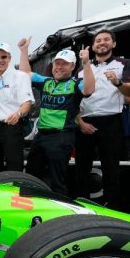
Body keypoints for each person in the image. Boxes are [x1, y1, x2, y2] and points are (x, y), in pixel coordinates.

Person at [19, 40, 95, 196]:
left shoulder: (76, 84)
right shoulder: (47, 82)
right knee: (31, 177)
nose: (59, 67)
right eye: (57, 63)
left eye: (64, 64)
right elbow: (24, 75)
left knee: (57, 181)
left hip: (61, 136)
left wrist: (86, 64)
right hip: (40, 136)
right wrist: (24, 50)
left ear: (73, 66)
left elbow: (89, 89)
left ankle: (60, 216)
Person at [74, 29, 130, 208]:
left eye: (106, 40)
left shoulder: (124, 63)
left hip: (111, 121)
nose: (101, 43)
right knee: (81, 169)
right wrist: (80, 122)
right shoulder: (83, 67)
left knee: (111, 169)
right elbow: (75, 98)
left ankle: (113, 208)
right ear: (93, 46)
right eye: (98, 41)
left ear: (114, 44)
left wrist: (118, 82)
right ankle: (80, 207)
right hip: (85, 121)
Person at [0, 42, 34, 175]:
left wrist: (18, 114)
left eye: (3, 57)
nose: (0, 60)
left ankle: (15, 195)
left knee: (14, 167)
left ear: (9, 58)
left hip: (11, 127)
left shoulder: (20, 76)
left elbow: (27, 103)